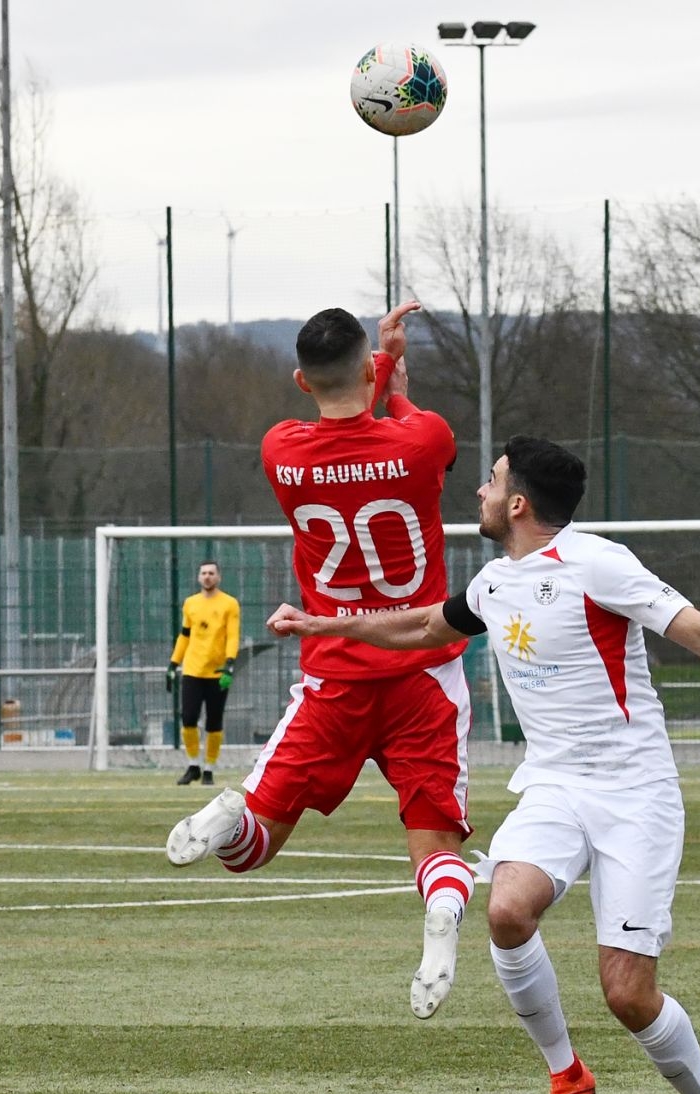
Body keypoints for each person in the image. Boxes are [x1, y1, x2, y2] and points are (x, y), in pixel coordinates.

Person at [270, 435, 700, 1094]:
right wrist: (322, 627)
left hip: (635, 795)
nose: (479, 493)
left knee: (627, 994)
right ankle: (566, 1074)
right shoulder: (492, 582)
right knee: (507, 909)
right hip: (553, 785)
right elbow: (422, 629)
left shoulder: (599, 563)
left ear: (517, 502)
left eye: (489, 482)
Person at [165, 302, 477, 1022]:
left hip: (333, 676)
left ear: (300, 381)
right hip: (424, 675)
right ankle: (438, 923)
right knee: (435, 845)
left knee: (251, 851)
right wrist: (394, 372)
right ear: (369, 368)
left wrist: (375, 369)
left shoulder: (284, 449)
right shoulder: (424, 438)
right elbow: (413, 432)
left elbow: (347, 424)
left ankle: (225, 810)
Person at [167, 560, 241, 786]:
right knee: (188, 718)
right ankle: (193, 765)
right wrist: (173, 664)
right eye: (204, 573)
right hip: (192, 670)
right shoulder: (190, 604)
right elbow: (185, 636)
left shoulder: (229, 604)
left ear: (218, 577)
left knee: (214, 721)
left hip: (218, 671)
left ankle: (208, 769)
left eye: (211, 573)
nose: (207, 576)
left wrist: (229, 663)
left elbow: (232, 635)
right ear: (199, 577)